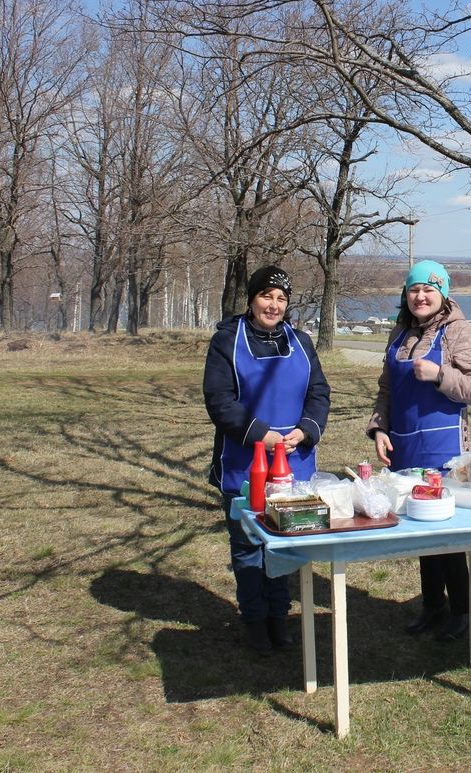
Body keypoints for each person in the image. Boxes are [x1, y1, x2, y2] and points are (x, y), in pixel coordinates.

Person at [203, 265, 330, 655]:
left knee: (285, 544)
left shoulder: (302, 342)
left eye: (281, 298)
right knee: (247, 546)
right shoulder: (226, 341)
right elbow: (220, 401)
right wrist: (262, 434)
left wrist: (305, 429)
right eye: (266, 296)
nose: (273, 305)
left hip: (294, 465)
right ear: (252, 298)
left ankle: (280, 614)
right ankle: (255, 619)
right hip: (245, 464)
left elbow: (319, 393)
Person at [367, 260, 471, 642]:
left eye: (429, 290)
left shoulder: (460, 332)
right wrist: (379, 429)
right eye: (413, 290)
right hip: (405, 449)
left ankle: (461, 611)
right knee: (421, 530)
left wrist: (441, 375)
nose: (420, 296)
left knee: (447, 534)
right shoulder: (398, 335)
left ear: (443, 294)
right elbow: (386, 391)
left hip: (445, 451)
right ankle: (432, 605)